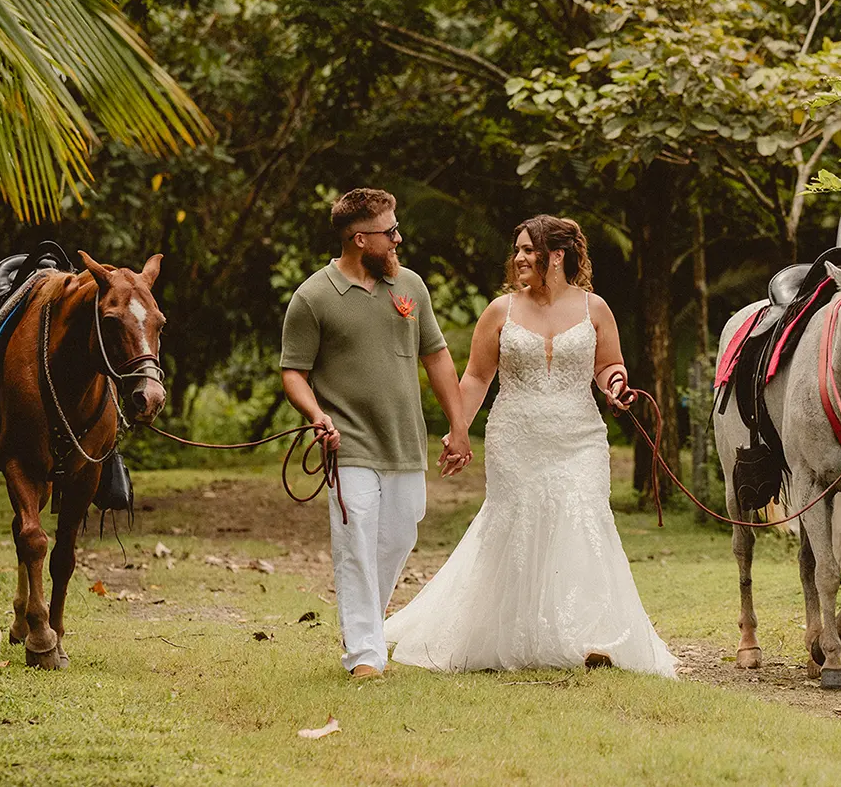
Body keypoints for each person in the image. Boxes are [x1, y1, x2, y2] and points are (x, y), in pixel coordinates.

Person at [384, 215, 678, 677]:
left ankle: (591, 636)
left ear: (556, 256)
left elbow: (609, 365)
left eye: (528, 250)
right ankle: (511, 633)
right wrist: (458, 430)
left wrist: (615, 384)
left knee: (582, 519)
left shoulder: (594, 309)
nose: (518, 258)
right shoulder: (500, 311)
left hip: (580, 436)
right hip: (516, 436)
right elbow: (478, 377)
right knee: (516, 524)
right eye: (517, 250)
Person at [280, 188, 471, 679]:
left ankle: (361, 622)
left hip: (405, 440)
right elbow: (293, 372)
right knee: (356, 541)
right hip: (348, 442)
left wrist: (458, 426)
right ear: (360, 239)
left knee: (400, 535)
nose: (398, 238)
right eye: (390, 232)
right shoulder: (313, 296)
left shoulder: (410, 285)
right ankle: (365, 652)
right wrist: (316, 415)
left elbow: (437, 357)